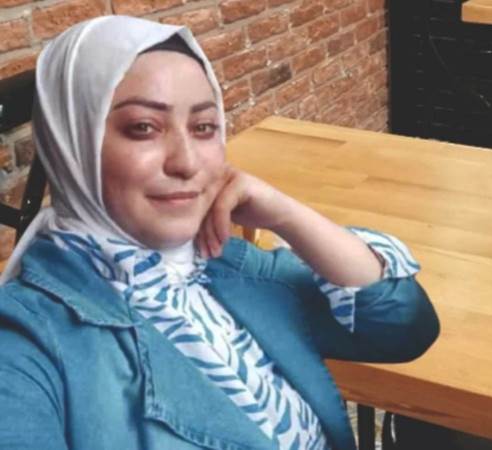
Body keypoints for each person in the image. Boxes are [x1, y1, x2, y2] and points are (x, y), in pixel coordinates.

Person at [0, 15, 439, 450]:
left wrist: (285, 214)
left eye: (204, 127)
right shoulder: (26, 346)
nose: (187, 162)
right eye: (143, 128)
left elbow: (403, 325)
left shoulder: (219, 265)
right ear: (71, 142)